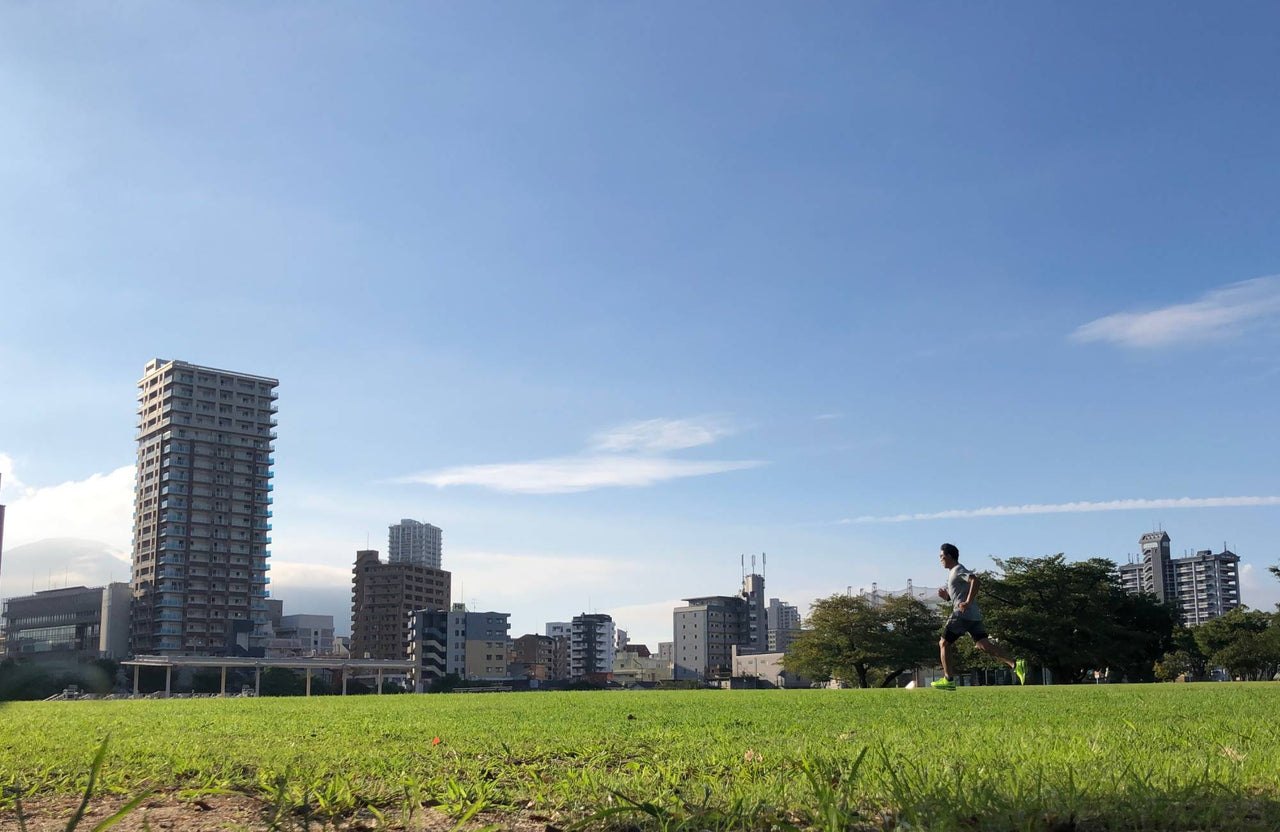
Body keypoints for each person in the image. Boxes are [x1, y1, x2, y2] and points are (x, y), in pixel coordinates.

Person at [930, 543, 1026, 690]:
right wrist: (948, 597)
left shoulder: (957, 570)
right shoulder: (953, 572)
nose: (940, 560)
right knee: (983, 645)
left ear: (949, 556)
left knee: (943, 643)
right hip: (973, 615)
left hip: (961, 615)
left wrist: (967, 602)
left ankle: (948, 680)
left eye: (941, 557)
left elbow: (975, 580)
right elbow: (959, 596)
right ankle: (1015, 663)